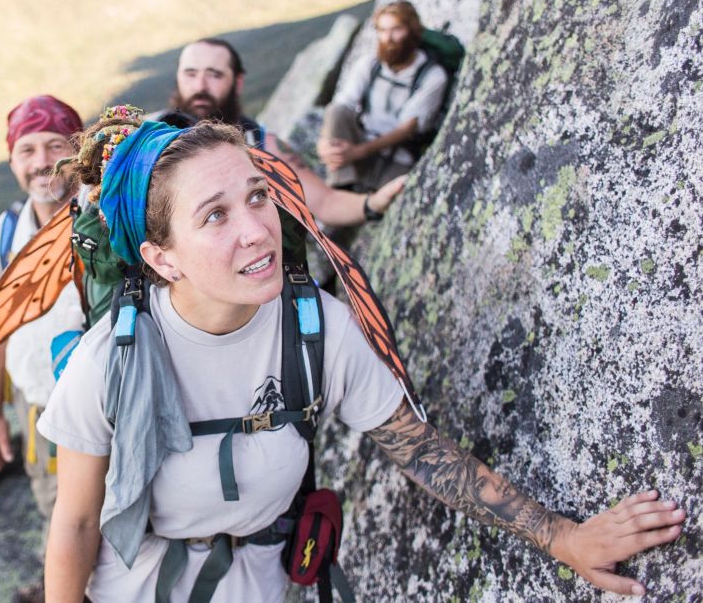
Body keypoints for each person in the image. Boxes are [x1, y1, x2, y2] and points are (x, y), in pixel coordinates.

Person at [35, 117, 686, 601]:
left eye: (259, 196)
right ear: (162, 258)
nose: (256, 229)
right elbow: (77, 522)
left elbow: (417, 448)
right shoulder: (110, 362)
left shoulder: (316, 329)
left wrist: (561, 537)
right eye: (215, 216)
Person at [0, 95, 86, 598]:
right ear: (13, 160)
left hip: (106, 405)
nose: (41, 161)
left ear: (78, 150)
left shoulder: (106, 221)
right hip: (38, 403)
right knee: (53, 502)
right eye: (26, 149)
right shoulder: (5, 233)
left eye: (54, 145)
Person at [156, 38, 404, 229]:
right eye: (190, 74)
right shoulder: (148, 139)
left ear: (238, 82)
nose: (200, 86)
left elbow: (325, 202)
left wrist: (374, 203)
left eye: (215, 75)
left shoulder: (261, 143)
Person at [317, 0, 448, 192]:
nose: (389, 38)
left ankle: (350, 198)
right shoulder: (370, 64)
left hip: (398, 157)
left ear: (412, 31)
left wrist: (359, 152)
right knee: (336, 111)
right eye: (382, 30)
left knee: (377, 207)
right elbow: (343, 103)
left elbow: (407, 128)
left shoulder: (433, 75)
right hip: (360, 141)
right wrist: (323, 143)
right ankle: (340, 188)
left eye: (396, 29)